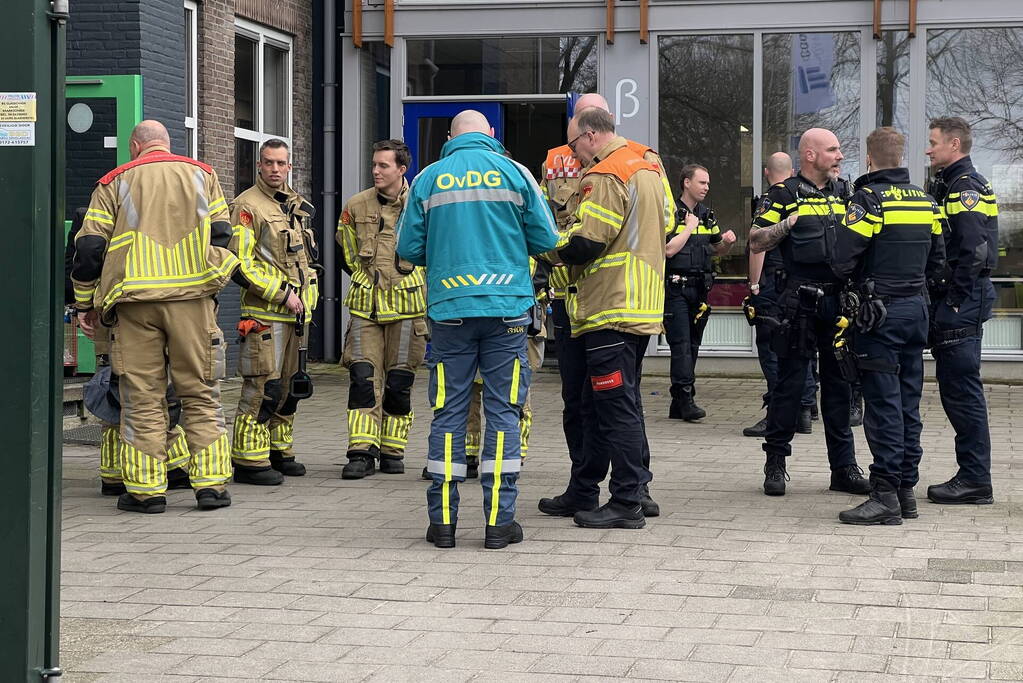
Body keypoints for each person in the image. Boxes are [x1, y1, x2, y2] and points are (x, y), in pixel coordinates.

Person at [396, 110, 559, 549]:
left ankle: (443, 524)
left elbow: (408, 248)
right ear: (491, 134)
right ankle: (498, 523)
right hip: (507, 313)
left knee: (448, 412)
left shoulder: (429, 177)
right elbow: (546, 239)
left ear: (450, 137)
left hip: (449, 312)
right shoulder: (516, 172)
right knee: (504, 412)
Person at [71, 120, 237, 513]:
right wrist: (209, 284)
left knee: (141, 399)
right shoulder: (203, 175)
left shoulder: (113, 182)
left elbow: (90, 249)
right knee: (200, 393)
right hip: (192, 302)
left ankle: (146, 492)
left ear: (135, 145)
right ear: (166, 143)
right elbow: (223, 234)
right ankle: (211, 486)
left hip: (135, 306)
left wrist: (84, 304)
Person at [539, 92, 674, 517]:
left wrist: (544, 250)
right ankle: (587, 489)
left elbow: (585, 243)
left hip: (608, 305)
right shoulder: (646, 163)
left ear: (591, 134)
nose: (573, 156)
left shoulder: (606, 172)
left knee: (614, 405)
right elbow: (665, 221)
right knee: (597, 402)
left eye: (575, 146)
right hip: (633, 303)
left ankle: (628, 499)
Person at [832, 127, 946, 525]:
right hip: (916, 312)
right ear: (901, 157)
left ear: (869, 159)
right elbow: (938, 264)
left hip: (878, 315)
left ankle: (884, 496)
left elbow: (842, 259)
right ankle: (905, 491)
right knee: (908, 403)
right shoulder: (928, 202)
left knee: (882, 406)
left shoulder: (868, 200)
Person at [749, 128, 869, 498]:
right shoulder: (783, 194)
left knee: (838, 386)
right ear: (811, 155)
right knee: (789, 386)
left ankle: (843, 468)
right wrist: (788, 224)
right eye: (833, 150)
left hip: (837, 302)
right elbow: (755, 239)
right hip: (798, 301)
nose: (840, 156)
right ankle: (775, 463)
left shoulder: (846, 193)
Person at [229, 139, 319, 485]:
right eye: (269, 163)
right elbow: (240, 264)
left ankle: (280, 450)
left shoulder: (294, 205)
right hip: (266, 312)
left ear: (289, 166)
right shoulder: (247, 206)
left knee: (289, 389)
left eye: (281, 163)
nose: (275, 169)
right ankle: (249, 460)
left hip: (298, 314)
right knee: (262, 387)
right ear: (259, 166)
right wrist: (282, 295)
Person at [337, 140, 427, 479]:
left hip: (408, 308)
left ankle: (392, 450)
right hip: (366, 309)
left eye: (383, 166)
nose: (375, 170)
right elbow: (347, 251)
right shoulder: (356, 205)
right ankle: (361, 451)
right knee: (362, 378)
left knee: (399, 383)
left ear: (401, 169)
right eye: (374, 164)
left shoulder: (422, 206)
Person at [925, 117, 998, 505]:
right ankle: (972, 475)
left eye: (934, 142)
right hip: (962, 299)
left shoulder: (964, 186)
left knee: (962, 392)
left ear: (954, 145)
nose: (928, 148)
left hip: (962, 301)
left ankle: (974, 479)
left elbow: (974, 251)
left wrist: (953, 300)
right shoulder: (953, 181)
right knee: (958, 391)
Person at [744, 153, 817, 437]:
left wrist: (753, 285)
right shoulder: (805, 196)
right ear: (794, 171)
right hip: (797, 283)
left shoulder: (772, 199)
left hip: (772, 283)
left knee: (772, 346)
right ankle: (805, 408)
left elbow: (758, 244)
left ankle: (778, 410)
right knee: (801, 344)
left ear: (766, 172)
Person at [664, 164, 736, 420]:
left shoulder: (707, 215)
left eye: (708, 184)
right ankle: (686, 399)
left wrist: (726, 243)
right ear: (686, 183)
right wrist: (687, 227)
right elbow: (668, 250)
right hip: (675, 288)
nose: (706, 187)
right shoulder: (671, 212)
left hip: (700, 289)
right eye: (702, 183)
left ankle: (679, 401)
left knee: (693, 344)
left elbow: (717, 249)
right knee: (681, 345)